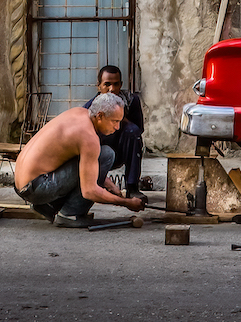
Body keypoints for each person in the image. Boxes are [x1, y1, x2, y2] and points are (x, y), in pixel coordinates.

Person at [15, 93, 145, 227]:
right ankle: (70, 214)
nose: (117, 127)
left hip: (26, 184)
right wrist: (126, 203)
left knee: (99, 157)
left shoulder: (79, 112)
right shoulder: (88, 138)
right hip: (38, 187)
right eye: (115, 121)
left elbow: (86, 167)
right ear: (99, 116)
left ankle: (48, 206)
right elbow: (89, 191)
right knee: (107, 155)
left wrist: (111, 186)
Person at [85, 65, 146, 201]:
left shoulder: (130, 101)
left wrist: (121, 120)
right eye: (107, 84)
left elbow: (139, 130)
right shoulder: (91, 107)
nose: (111, 89)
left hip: (121, 150)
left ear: (121, 85)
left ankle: (132, 187)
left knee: (133, 132)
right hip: (100, 153)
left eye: (116, 84)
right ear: (99, 86)